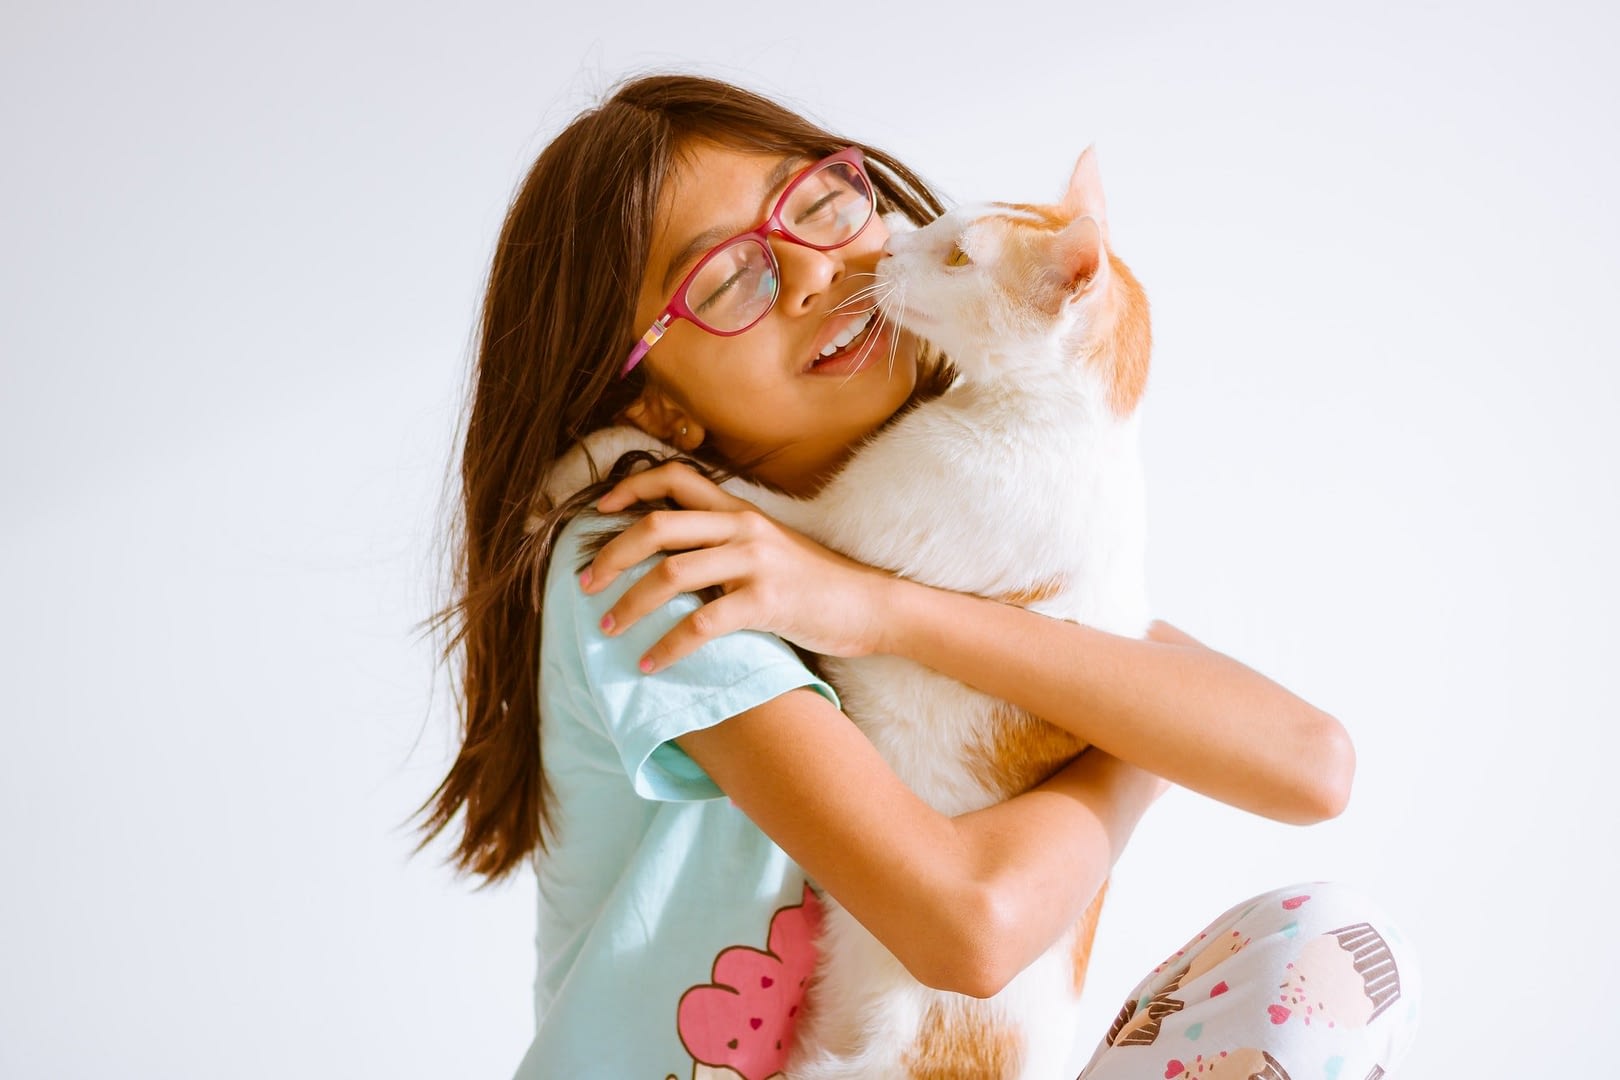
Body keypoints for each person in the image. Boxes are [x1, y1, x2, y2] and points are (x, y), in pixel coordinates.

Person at [414, 74, 1421, 1079]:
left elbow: (1309, 762)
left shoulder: (960, 520)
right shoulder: (648, 549)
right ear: (656, 411)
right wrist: (1137, 733)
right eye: (727, 279)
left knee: (1331, 953)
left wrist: (881, 610)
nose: (811, 271)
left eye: (817, 203)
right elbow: (969, 928)